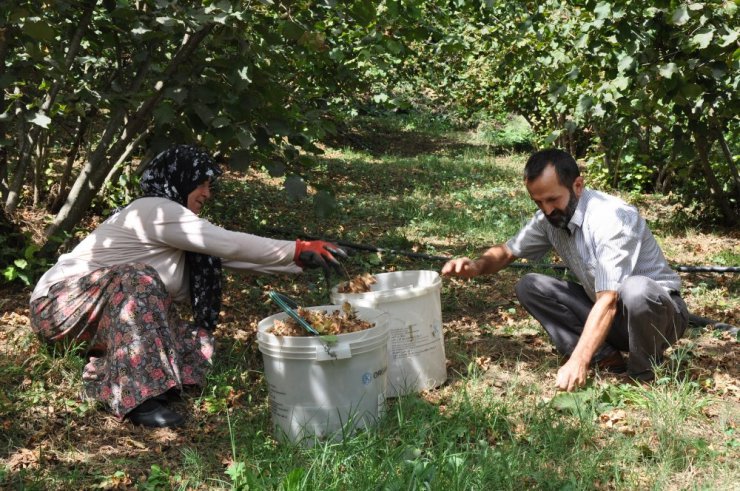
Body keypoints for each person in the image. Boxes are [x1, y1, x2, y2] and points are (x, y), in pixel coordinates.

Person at [29, 145, 346, 427]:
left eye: (210, 185)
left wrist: (302, 261)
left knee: (197, 341)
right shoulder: (152, 209)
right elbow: (230, 245)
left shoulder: (180, 233)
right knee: (139, 279)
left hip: (96, 322)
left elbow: (236, 259)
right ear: (178, 178)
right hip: (58, 307)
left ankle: (114, 371)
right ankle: (139, 398)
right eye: (202, 183)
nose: (207, 193)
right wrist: (296, 247)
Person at [441, 149, 689, 391]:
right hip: (611, 318)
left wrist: (577, 360)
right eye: (538, 202)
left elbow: (609, 300)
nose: (547, 210)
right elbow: (507, 252)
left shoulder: (612, 217)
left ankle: (643, 372)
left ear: (578, 186)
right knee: (530, 285)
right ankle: (604, 357)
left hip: (660, 319)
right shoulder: (549, 219)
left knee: (637, 289)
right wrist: (476, 266)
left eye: (552, 199)